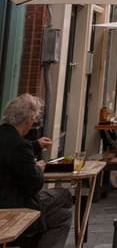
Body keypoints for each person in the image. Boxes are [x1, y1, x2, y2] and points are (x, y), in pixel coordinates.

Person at [0, 94, 72, 248]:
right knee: (64, 196)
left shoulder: (11, 139)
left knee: (62, 215)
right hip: (13, 206)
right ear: (28, 120)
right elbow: (34, 184)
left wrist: (35, 145)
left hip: (8, 198)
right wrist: (39, 168)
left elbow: (8, 153)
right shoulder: (20, 145)